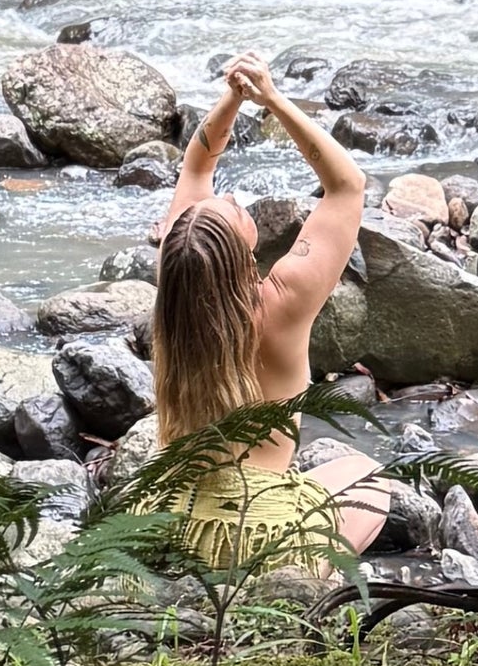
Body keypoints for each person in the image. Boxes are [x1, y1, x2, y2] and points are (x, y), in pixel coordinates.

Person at [150, 51, 390, 573]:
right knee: (370, 480)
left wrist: (231, 99)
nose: (235, 198)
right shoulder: (282, 303)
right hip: (254, 529)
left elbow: (197, 166)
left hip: (174, 512)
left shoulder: (176, 275)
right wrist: (273, 99)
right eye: (233, 209)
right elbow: (346, 185)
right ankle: (305, 575)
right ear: (240, 254)